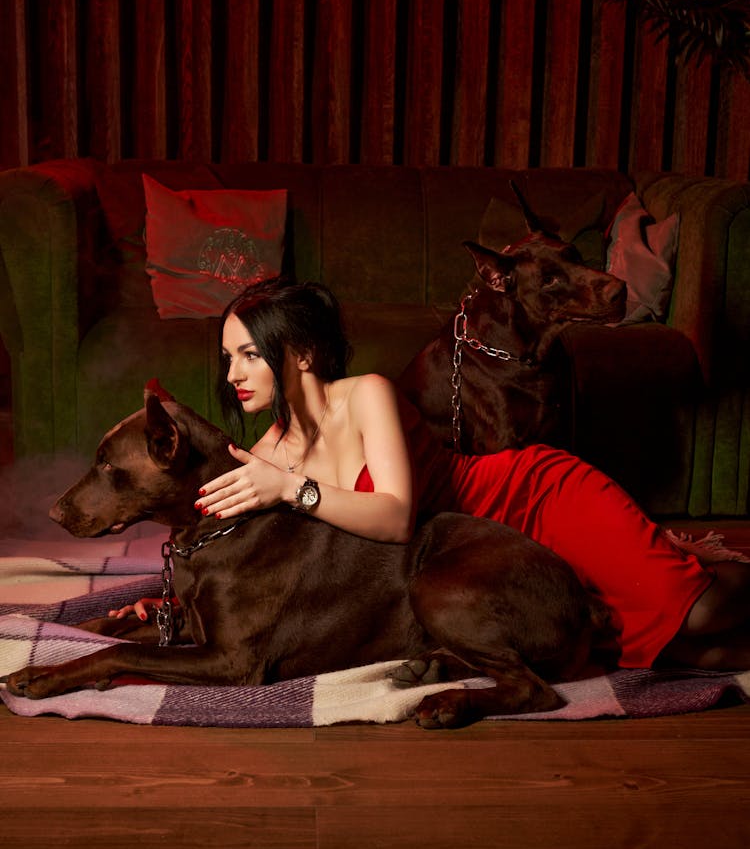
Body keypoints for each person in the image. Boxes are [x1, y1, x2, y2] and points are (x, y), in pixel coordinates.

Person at [120, 277, 750, 673]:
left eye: (251, 354)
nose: (234, 374)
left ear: (303, 354)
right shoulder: (269, 449)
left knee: (690, 611)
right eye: (229, 356)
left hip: (531, 500)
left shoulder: (365, 394)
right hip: (484, 571)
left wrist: (293, 489)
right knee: (667, 651)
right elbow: (225, 547)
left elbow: (395, 518)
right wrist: (173, 602)